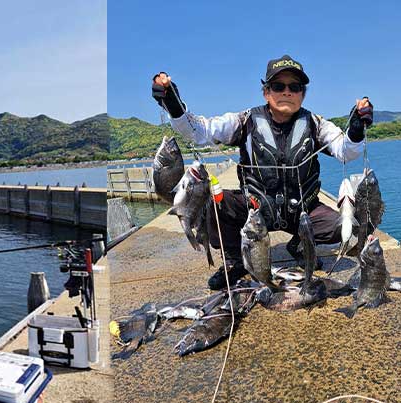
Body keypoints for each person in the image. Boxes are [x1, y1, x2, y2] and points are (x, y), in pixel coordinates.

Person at [151, 55, 374, 290]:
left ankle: (300, 245)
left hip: (302, 212)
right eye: (279, 86)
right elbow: (200, 131)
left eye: (294, 87)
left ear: (302, 93)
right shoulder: (245, 120)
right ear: (266, 92)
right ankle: (235, 261)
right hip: (254, 210)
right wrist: (173, 103)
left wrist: (357, 128)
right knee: (213, 206)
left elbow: (345, 151)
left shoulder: (315, 124)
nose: (287, 92)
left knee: (349, 224)